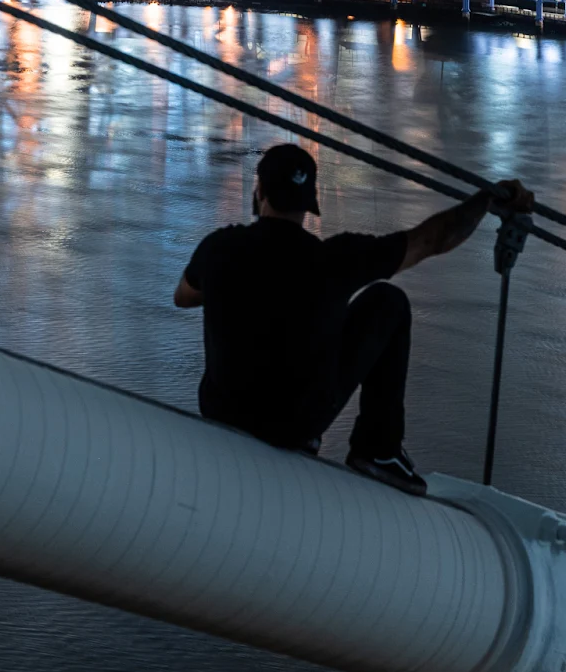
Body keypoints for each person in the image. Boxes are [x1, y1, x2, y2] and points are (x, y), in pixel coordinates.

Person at [173, 144, 534, 496]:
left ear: (259, 192)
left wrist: (236, 286)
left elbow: (184, 298)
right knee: (387, 303)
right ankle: (379, 450)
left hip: (224, 414)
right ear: (310, 203)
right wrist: (485, 199)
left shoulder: (220, 247)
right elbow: (431, 240)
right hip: (293, 428)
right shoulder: (336, 260)